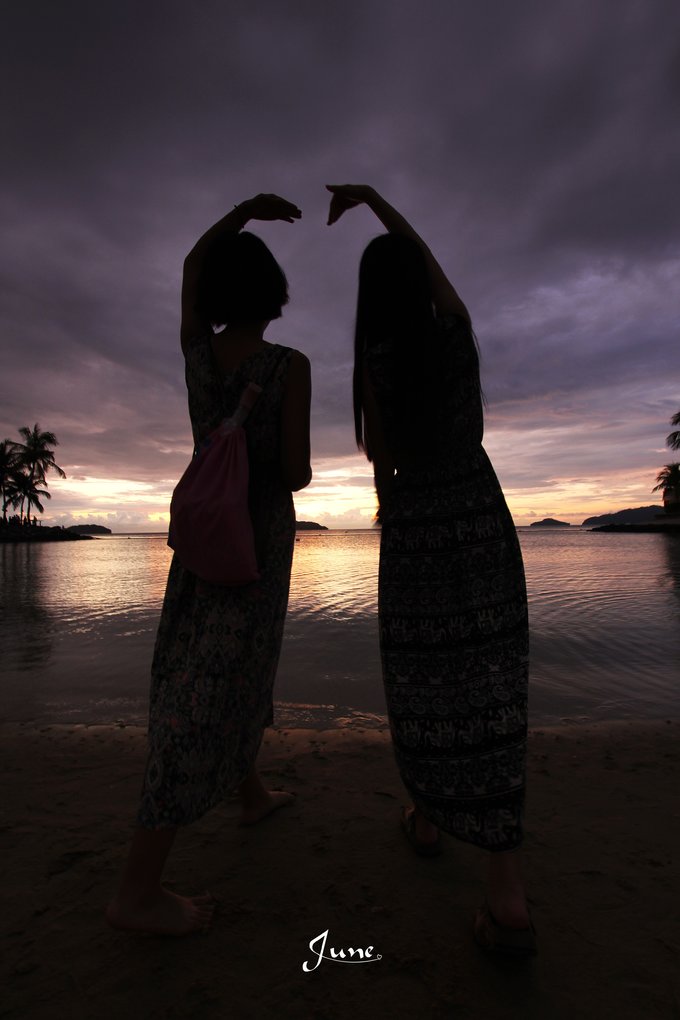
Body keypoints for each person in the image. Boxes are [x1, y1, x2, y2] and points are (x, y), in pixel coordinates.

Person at [326, 184, 536, 955]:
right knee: (491, 688)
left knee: (425, 690)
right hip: (480, 519)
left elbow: (383, 471)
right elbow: (432, 269)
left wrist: (398, 512)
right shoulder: (455, 335)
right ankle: (505, 890)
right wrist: (379, 203)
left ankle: (426, 816)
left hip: (415, 529)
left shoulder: (373, 368)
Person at [106, 194, 312, 936]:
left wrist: (242, 212)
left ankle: (250, 792)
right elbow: (295, 474)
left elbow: (194, 263)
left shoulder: (198, 356)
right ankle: (137, 890)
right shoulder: (289, 366)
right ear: (274, 296)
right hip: (254, 537)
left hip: (201, 533)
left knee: (216, 663)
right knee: (214, 683)